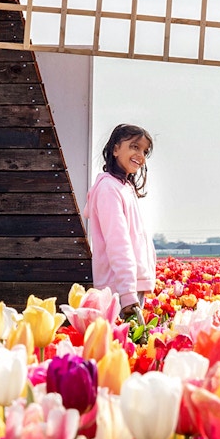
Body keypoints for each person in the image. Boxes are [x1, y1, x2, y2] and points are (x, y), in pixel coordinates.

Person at [84, 123, 156, 320]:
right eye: (134, 146)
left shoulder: (125, 187)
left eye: (145, 151)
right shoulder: (108, 188)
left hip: (128, 286)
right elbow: (119, 244)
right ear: (115, 149)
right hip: (118, 290)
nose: (141, 155)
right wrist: (127, 295)